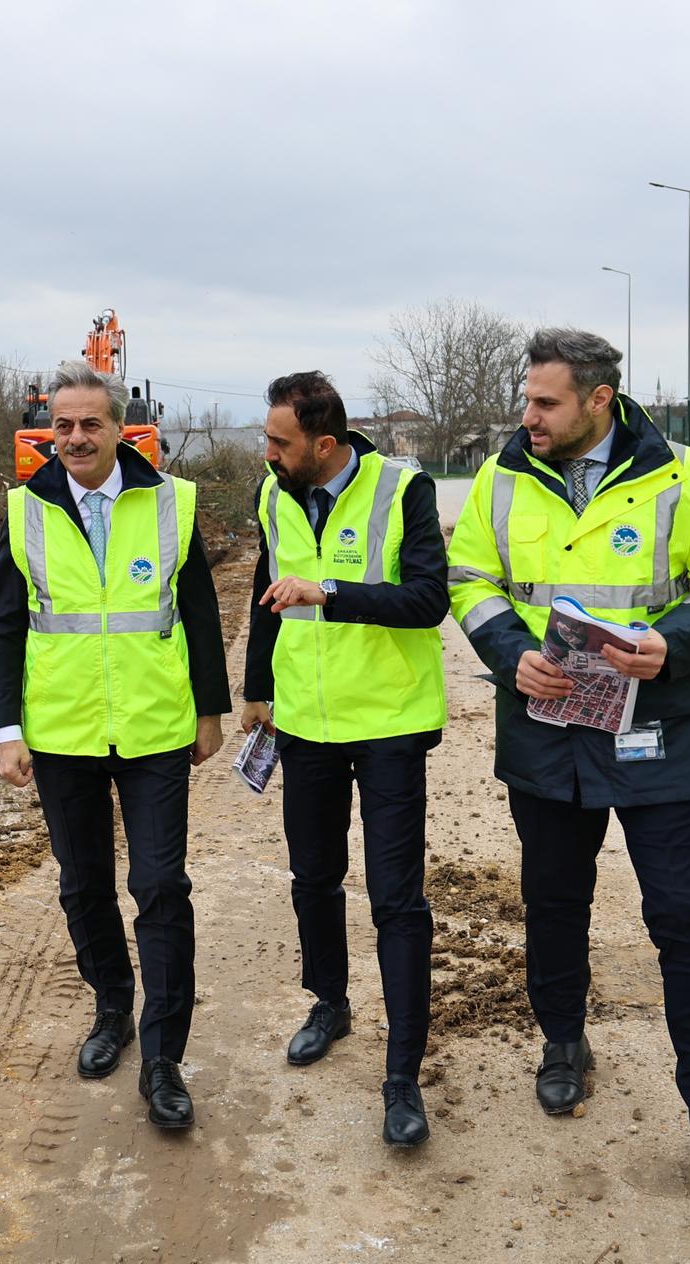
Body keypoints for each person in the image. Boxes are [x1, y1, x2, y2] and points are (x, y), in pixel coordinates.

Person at [448, 329, 690, 1188]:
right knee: (553, 900)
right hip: (546, 728)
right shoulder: (502, 476)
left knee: (684, 917)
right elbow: (467, 577)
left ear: (598, 399)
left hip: (656, 727)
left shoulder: (684, 475)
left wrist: (674, 643)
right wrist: (510, 650)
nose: (529, 416)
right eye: (527, 399)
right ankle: (562, 1042)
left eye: (546, 402)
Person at [0, 358, 229, 1130]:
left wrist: (210, 711)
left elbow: (199, 611)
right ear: (46, 431)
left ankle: (163, 1058)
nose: (76, 438)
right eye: (62, 426)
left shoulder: (171, 503)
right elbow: (3, 626)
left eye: (91, 424)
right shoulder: (25, 510)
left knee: (160, 888)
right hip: (63, 733)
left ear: (121, 428)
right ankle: (112, 1008)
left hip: (155, 727)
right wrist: (8, 730)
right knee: (83, 884)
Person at [240, 371, 448, 1147]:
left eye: (279, 442)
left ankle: (402, 1076)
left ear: (323, 446)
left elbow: (430, 600)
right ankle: (330, 1001)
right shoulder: (273, 493)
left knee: (397, 900)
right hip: (304, 721)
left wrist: (329, 589)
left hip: (390, 722)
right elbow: (268, 588)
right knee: (314, 878)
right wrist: (257, 687)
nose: (267, 453)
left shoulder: (404, 490)